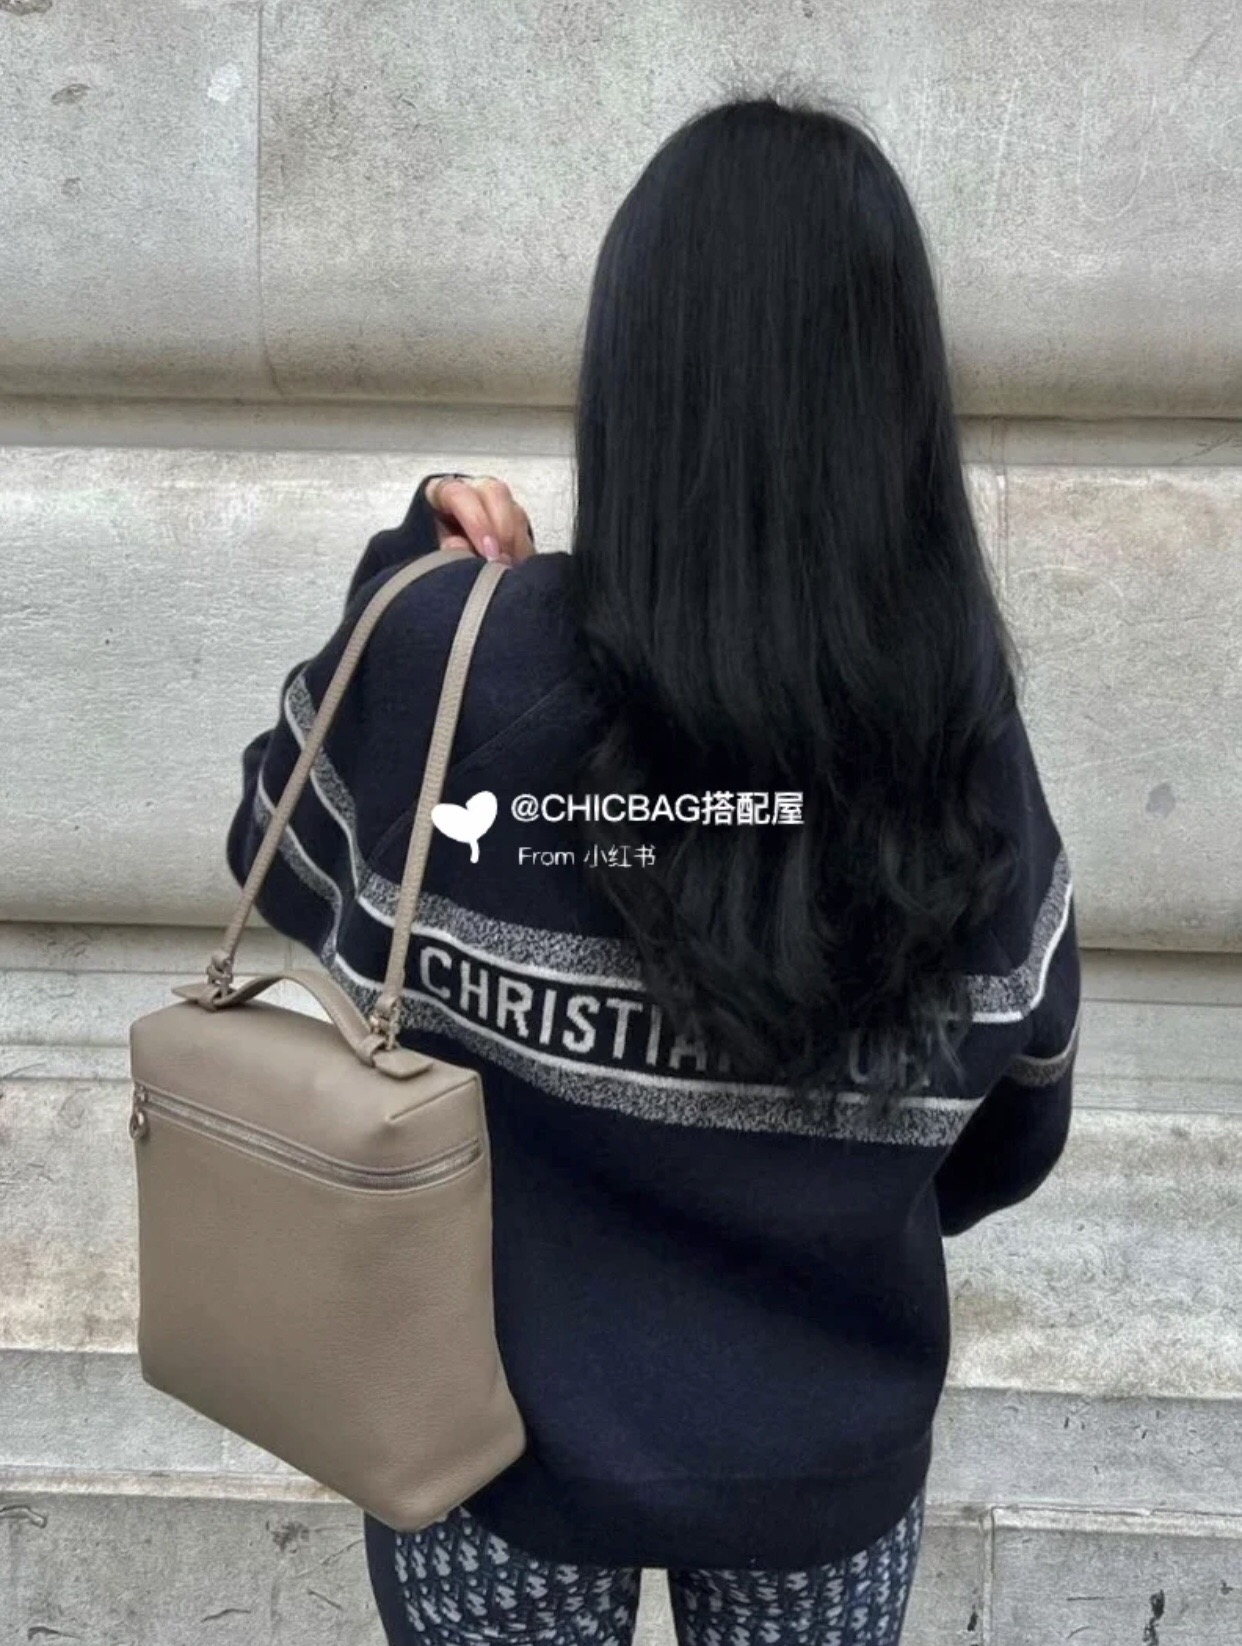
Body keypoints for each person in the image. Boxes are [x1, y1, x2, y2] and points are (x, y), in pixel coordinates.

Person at [226, 93, 1081, 1646]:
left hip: (481, 1440)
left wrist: (405, 578)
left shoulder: (461, 661)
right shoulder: (955, 741)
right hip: (819, 1456)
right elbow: (1012, 1127)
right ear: (896, 396)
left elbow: (277, 858)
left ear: (632, 372)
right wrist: (799, 1191)